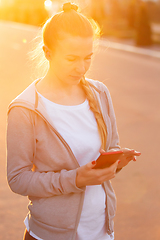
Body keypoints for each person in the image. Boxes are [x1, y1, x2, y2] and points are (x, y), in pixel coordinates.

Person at [7, 2, 141, 240]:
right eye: (71, 59)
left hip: (102, 231)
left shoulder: (100, 93)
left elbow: (111, 146)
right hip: (49, 234)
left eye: (87, 58)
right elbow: (18, 179)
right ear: (48, 53)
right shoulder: (25, 109)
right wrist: (75, 179)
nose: (81, 68)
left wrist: (116, 159)